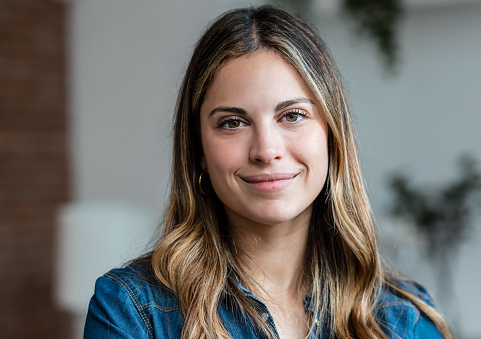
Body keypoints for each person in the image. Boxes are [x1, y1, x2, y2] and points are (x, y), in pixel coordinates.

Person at [84, 5, 452, 339]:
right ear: (198, 149)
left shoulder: (403, 320)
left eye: (292, 116)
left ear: (331, 136)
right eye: (232, 122)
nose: (266, 150)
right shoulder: (132, 312)